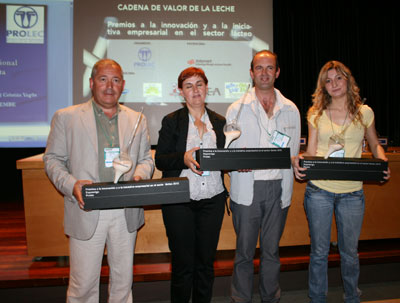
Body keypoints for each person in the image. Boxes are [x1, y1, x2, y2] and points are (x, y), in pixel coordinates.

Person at [43, 59, 154, 302]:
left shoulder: (137, 119)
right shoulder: (67, 117)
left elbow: (146, 159)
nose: (109, 86)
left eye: (115, 80)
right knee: (83, 287)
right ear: (92, 83)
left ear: (123, 85)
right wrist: (72, 185)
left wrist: (139, 176)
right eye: (103, 79)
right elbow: (52, 159)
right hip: (87, 208)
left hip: (125, 209)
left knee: (123, 285)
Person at [292, 60, 390, 303]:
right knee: (318, 252)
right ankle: (317, 299)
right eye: (328, 80)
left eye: (338, 78)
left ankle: (352, 298)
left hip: (352, 193)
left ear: (348, 80)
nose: (334, 84)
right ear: (323, 86)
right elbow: (312, 150)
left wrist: (382, 162)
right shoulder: (315, 113)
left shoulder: (364, 113)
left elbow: (375, 143)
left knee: (350, 254)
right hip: (319, 191)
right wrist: (300, 160)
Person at [226, 50, 301, 302]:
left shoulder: (291, 109)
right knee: (244, 253)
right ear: (251, 72)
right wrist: (238, 162)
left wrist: (296, 161)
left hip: (279, 187)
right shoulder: (236, 109)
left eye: (270, 68)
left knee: (271, 252)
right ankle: (241, 299)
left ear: (277, 72)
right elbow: (228, 152)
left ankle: (271, 298)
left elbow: (292, 152)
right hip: (248, 188)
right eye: (259, 68)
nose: (264, 73)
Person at [155, 67, 227, 302]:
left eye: (199, 84)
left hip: (212, 200)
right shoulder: (171, 121)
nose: (195, 90)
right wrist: (183, 158)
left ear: (207, 88)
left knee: (205, 264)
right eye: (189, 86)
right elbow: (160, 159)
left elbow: (225, 157)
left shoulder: (220, 122)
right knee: (183, 265)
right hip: (179, 201)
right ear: (181, 92)